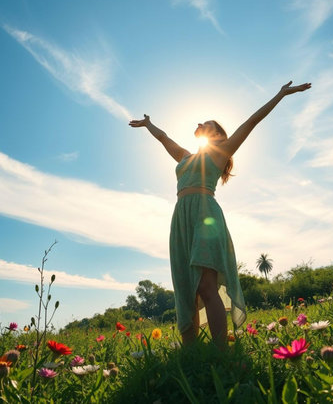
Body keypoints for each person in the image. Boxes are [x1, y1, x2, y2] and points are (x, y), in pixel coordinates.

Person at [129, 80, 311, 347]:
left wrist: (281, 95)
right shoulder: (185, 157)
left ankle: (220, 352)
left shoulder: (221, 152)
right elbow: (163, 138)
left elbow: (252, 121)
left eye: (207, 122)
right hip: (181, 219)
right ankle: (191, 354)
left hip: (205, 216)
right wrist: (148, 124)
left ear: (217, 134)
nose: (200, 123)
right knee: (185, 289)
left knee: (206, 286)